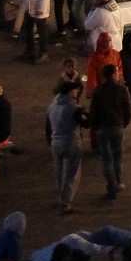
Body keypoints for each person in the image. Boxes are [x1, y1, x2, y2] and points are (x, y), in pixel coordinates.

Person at [47, 79, 86, 213]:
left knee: (59, 171)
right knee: (71, 174)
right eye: (75, 91)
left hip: (55, 142)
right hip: (70, 141)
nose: (76, 93)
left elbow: (48, 127)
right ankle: (65, 203)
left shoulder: (52, 105)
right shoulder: (73, 107)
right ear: (70, 92)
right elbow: (85, 123)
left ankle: (60, 197)